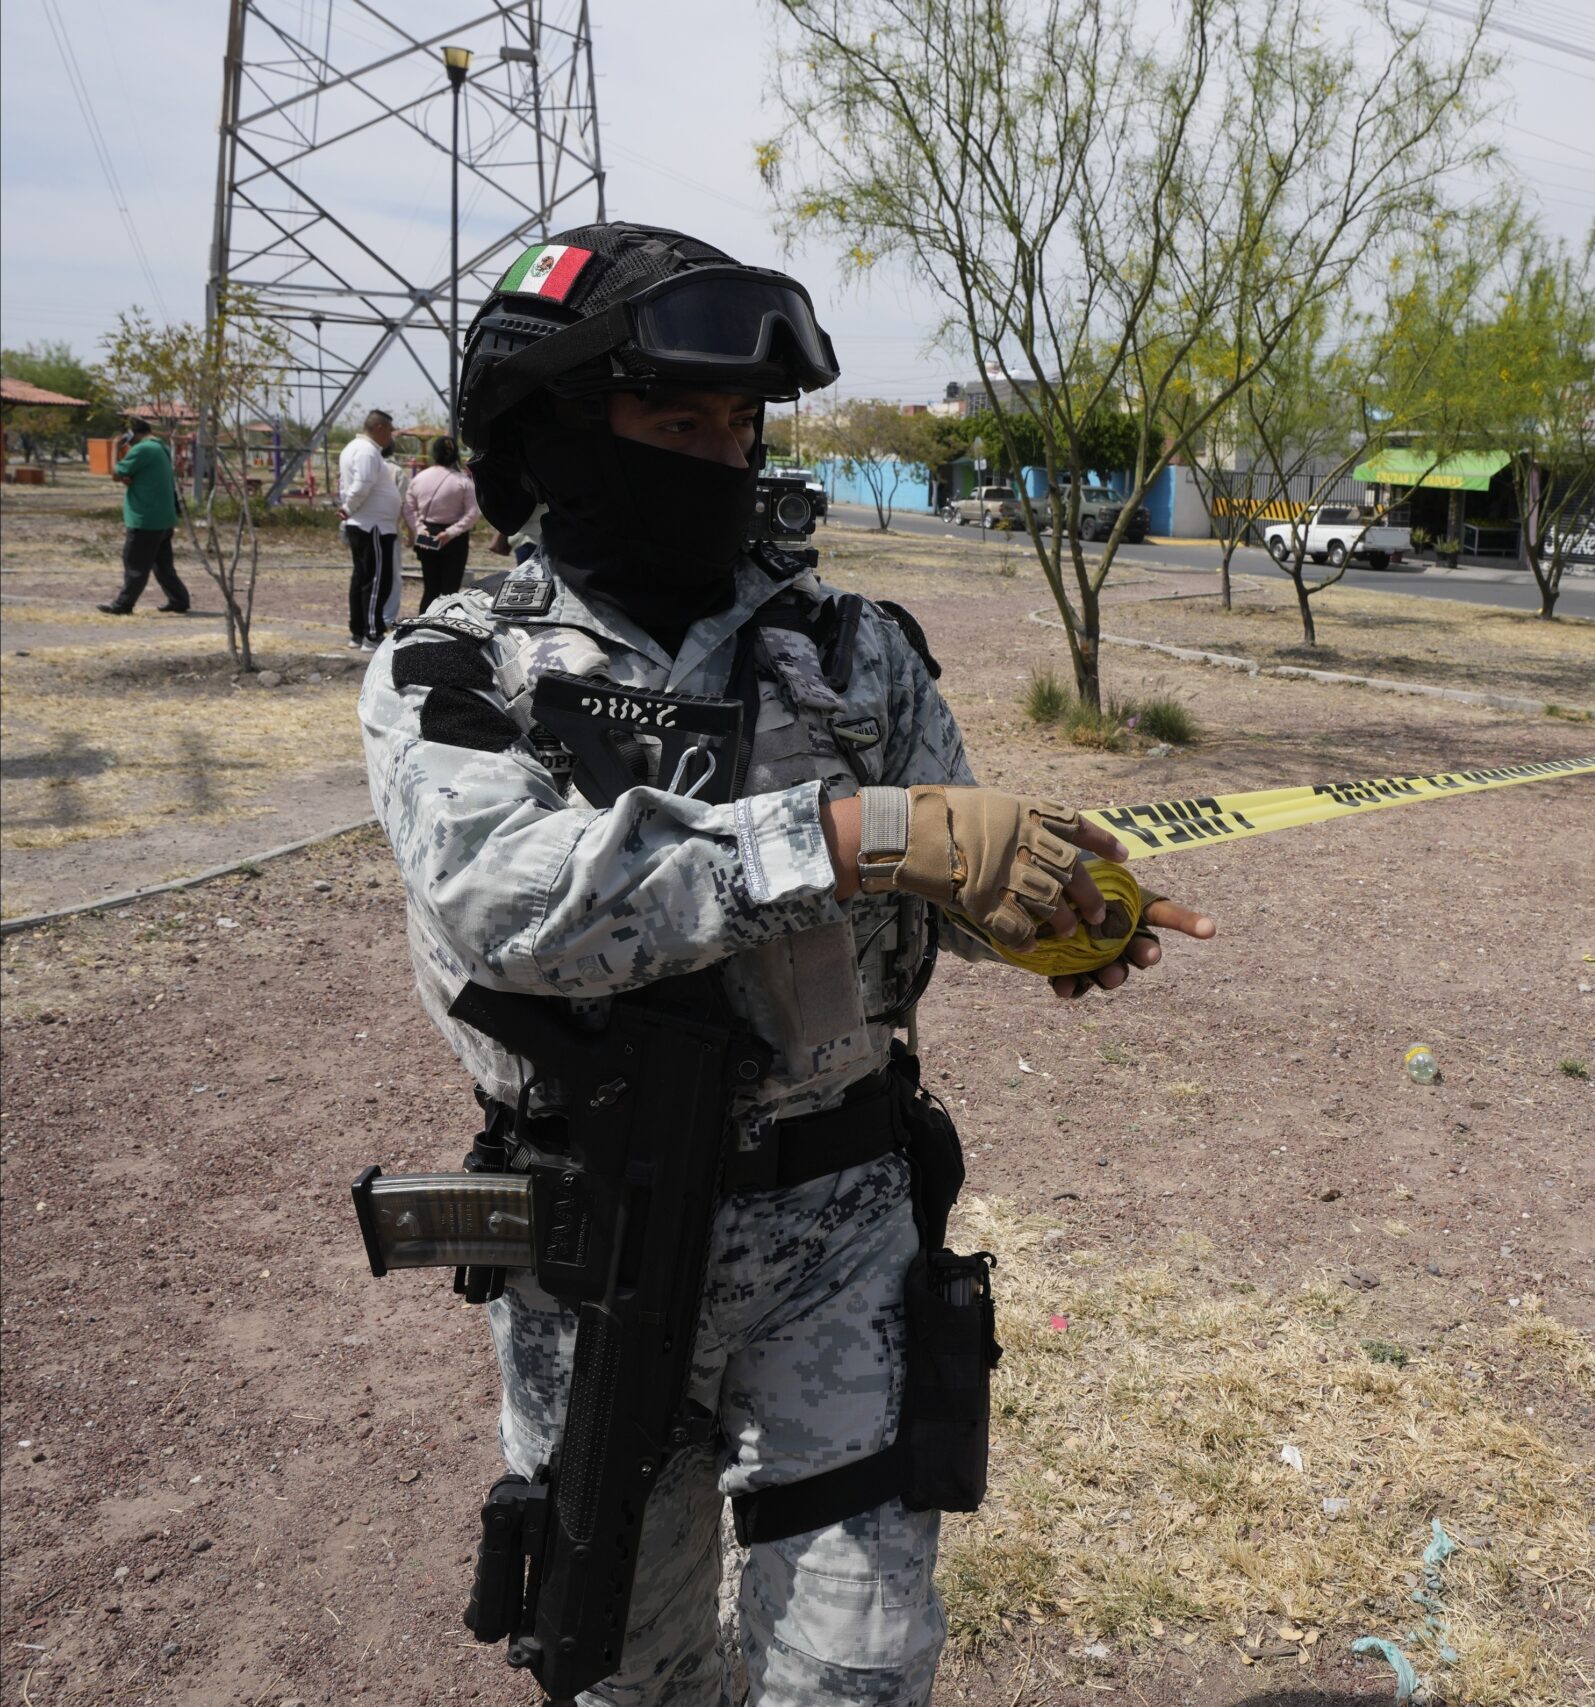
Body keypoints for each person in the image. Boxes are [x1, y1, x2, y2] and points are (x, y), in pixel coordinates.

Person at [358, 221, 1214, 1706]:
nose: (720, 455)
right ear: (557, 433)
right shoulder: (456, 668)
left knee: (859, 1672)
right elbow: (520, 907)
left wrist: (1047, 908)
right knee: (627, 1662)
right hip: (597, 1249)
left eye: (741, 425)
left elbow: (948, 862)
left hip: (839, 1230)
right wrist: (860, 833)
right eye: (676, 421)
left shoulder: (856, 645)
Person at [98, 417, 190, 615]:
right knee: (162, 566)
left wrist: (116, 447)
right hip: (163, 518)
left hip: (145, 518)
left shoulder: (143, 449)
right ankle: (179, 600)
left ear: (131, 433)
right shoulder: (162, 447)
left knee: (135, 564)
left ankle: (123, 605)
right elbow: (136, 476)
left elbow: (115, 472)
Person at [338, 407, 407, 646]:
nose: (391, 436)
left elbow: (346, 484)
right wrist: (347, 508)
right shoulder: (367, 451)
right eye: (389, 431)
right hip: (373, 526)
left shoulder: (354, 449)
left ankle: (358, 631)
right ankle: (372, 633)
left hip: (368, 524)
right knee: (377, 581)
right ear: (379, 428)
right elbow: (361, 485)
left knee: (362, 578)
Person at [403, 434, 479, 606]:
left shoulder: (419, 478)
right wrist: (450, 533)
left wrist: (419, 528)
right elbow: (473, 513)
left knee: (430, 588)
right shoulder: (463, 482)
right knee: (450, 591)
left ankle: (422, 625)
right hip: (454, 540)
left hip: (426, 535)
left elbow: (408, 508)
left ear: (434, 454)